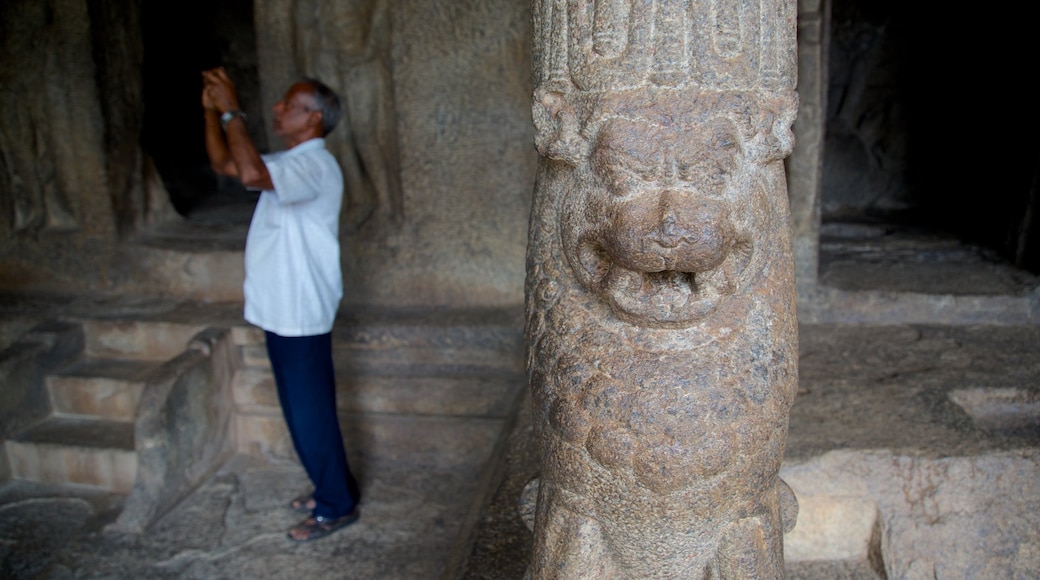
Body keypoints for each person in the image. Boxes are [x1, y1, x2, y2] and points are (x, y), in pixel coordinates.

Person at [201, 67, 361, 542]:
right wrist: (212, 114)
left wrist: (232, 109)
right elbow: (226, 165)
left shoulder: (314, 165)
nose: (277, 109)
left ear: (313, 120)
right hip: (282, 312)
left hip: (300, 314)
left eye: (289, 106)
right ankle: (331, 487)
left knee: (312, 414)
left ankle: (337, 504)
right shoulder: (291, 162)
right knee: (299, 410)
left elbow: (249, 171)